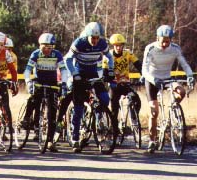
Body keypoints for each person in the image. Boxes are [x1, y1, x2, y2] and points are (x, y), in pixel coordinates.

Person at [142, 25, 194, 153]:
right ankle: (152, 141)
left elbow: (184, 64)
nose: (165, 44)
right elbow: (144, 70)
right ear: (157, 38)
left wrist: (190, 76)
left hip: (167, 78)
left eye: (167, 41)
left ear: (171, 40)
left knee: (181, 91)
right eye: (162, 41)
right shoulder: (150, 48)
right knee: (154, 112)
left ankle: (172, 110)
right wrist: (153, 80)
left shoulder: (175, 49)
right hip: (152, 80)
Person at [65, 22, 115, 153]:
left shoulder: (102, 44)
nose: (95, 41)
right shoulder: (79, 43)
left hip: (93, 73)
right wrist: (74, 74)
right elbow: (68, 59)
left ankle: (99, 122)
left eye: (97, 38)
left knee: (104, 99)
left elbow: (109, 57)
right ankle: (75, 138)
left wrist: (110, 70)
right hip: (79, 73)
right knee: (79, 108)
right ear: (87, 36)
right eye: (93, 38)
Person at [22, 33, 68, 152]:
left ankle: (50, 141)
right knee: (33, 99)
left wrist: (63, 83)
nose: (47, 50)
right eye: (44, 47)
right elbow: (27, 70)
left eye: (50, 47)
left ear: (53, 47)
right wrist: (28, 82)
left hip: (52, 81)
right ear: (40, 46)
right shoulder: (36, 54)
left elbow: (63, 70)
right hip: (39, 80)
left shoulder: (57, 55)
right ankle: (27, 118)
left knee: (53, 112)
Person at [105, 33, 142, 131]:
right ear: (113, 46)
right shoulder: (108, 55)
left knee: (136, 98)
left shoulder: (128, 53)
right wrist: (108, 78)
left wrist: (143, 74)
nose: (118, 47)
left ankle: (133, 117)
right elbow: (104, 71)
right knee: (114, 108)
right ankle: (114, 130)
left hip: (125, 84)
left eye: (120, 45)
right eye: (116, 45)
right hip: (114, 85)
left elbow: (138, 64)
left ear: (123, 46)